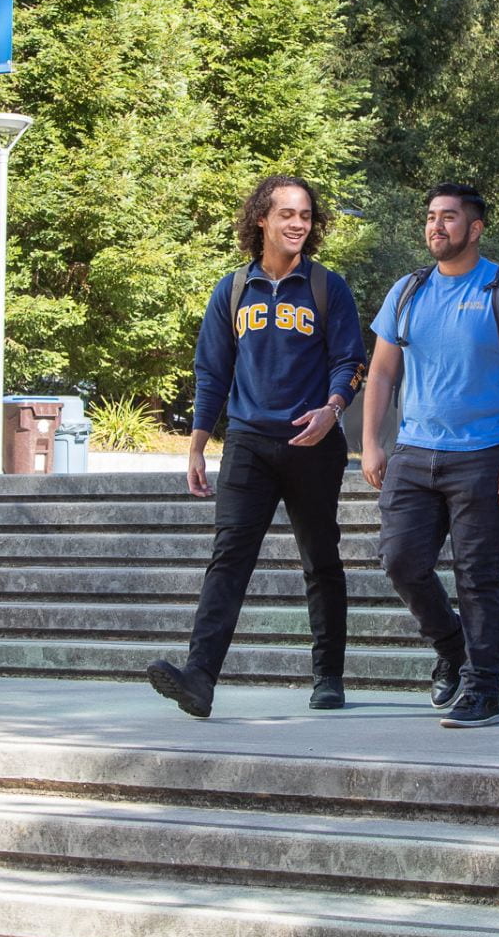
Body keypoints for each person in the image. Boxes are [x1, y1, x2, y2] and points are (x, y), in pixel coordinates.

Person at [146, 176, 365, 718]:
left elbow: (350, 361)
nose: (297, 223)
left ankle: (328, 676)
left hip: (314, 443)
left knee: (320, 559)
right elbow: (211, 372)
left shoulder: (326, 287)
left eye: (306, 216)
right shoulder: (232, 289)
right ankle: (199, 679)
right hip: (247, 441)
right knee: (228, 560)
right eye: (287, 213)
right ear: (261, 219)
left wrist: (332, 408)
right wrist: (197, 444)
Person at [360, 183, 499, 729]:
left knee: (478, 576)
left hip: (485, 454)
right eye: (430, 218)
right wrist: (372, 443)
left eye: (449, 217)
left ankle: (484, 689)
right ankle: (451, 646)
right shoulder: (408, 290)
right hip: (415, 453)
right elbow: (382, 372)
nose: (436, 227)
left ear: (475, 227)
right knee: (400, 561)